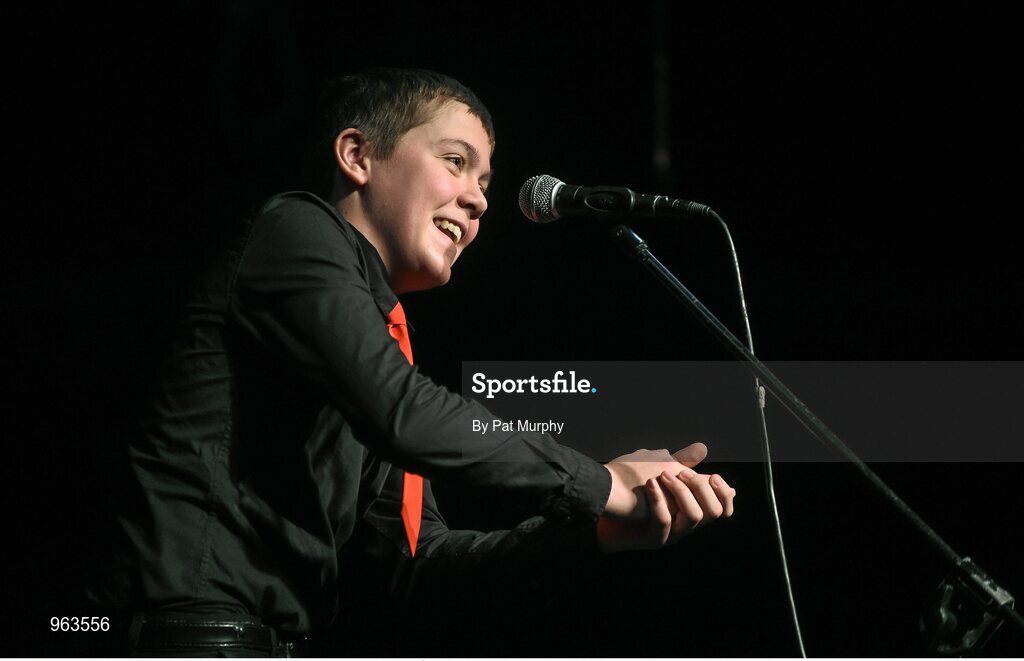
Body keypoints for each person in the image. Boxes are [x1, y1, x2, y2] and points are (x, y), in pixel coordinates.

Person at [84, 67, 736, 657]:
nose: (479, 200)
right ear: (357, 155)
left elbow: (418, 566)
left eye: (485, 183)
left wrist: (592, 530)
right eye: (456, 162)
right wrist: (601, 484)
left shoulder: (380, 344)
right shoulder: (295, 230)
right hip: (186, 637)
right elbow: (406, 412)